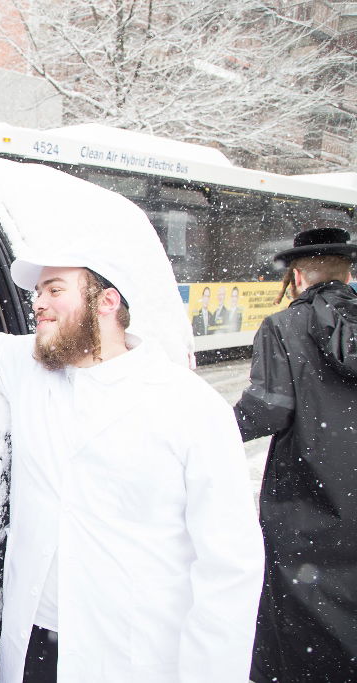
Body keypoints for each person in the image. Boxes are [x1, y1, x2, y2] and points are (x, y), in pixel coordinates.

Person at [0, 251, 264, 683]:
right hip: (35, 642)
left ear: (106, 302)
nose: (38, 303)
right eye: (36, 293)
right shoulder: (29, 365)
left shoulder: (190, 407)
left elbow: (229, 564)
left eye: (55, 290)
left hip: (133, 657)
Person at [234, 227, 357, 683]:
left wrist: (207, 429)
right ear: (348, 273)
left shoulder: (285, 326)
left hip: (306, 504)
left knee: (300, 624)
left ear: (299, 276)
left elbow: (267, 411)